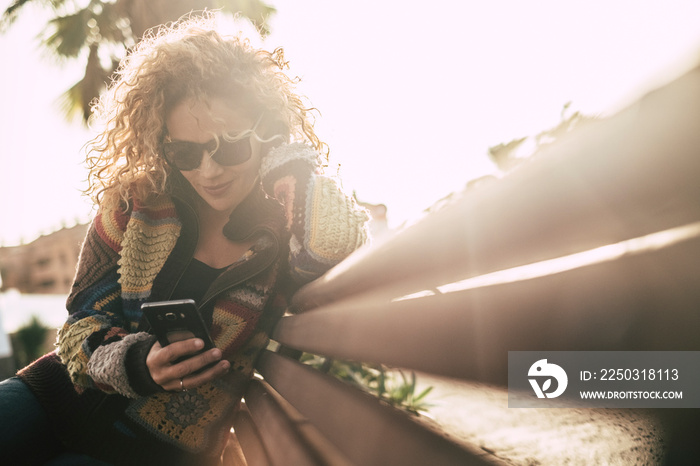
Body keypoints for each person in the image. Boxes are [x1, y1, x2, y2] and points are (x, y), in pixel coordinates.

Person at [0, 15, 369, 465]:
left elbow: (334, 243)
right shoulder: (133, 203)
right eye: (185, 152)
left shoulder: (286, 227)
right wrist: (138, 363)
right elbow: (80, 327)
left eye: (229, 145)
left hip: (156, 451)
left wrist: (288, 161)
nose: (207, 172)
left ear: (268, 131)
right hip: (54, 396)